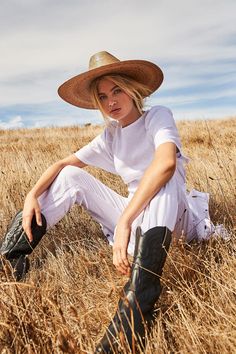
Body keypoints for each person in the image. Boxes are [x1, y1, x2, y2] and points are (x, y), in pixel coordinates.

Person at [0, 51, 214, 352]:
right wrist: (31, 195)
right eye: (102, 97)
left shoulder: (158, 116)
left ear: (133, 89)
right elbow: (63, 164)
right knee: (71, 176)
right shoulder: (110, 135)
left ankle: (137, 305)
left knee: (165, 181)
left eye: (117, 90)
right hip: (135, 224)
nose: (111, 101)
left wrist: (125, 221)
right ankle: (10, 258)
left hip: (172, 221)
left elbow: (165, 163)